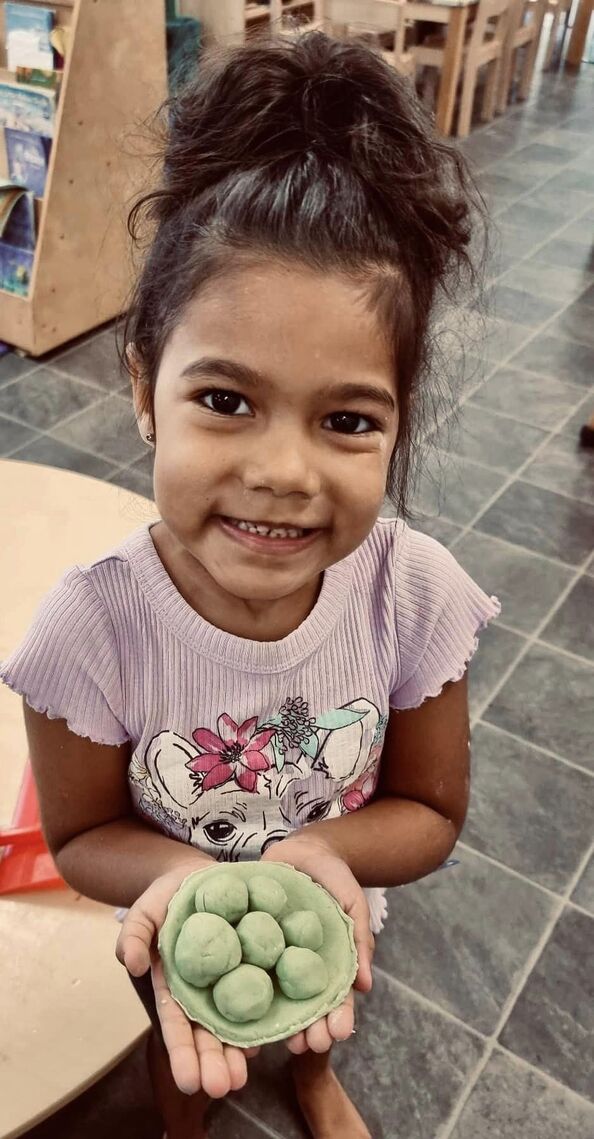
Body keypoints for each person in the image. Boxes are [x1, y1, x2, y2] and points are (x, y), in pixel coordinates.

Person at [0, 30, 500, 1139]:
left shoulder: (413, 596)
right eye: (226, 401)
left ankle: (312, 1078)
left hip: (329, 893)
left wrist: (319, 856)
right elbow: (80, 837)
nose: (282, 471)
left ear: (398, 425)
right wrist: (192, 885)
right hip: (171, 905)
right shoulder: (89, 627)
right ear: (145, 387)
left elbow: (429, 809)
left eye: (347, 418)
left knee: (318, 1009)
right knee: (186, 1058)